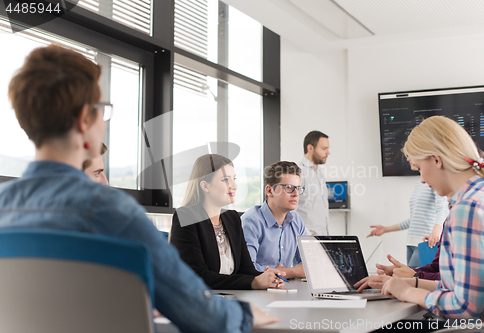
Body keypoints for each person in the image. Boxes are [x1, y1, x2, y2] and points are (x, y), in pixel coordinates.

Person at [0, 45, 278, 332]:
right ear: (85, 119)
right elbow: (200, 313)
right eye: (102, 112)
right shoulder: (111, 211)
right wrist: (243, 314)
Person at [356, 116, 484, 329]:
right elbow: (463, 287)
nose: (422, 179)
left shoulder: (468, 208)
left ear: (436, 160)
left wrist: (408, 292)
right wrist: (409, 282)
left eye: (420, 169)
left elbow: (466, 306)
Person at [170, 154, 286, 290]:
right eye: (225, 180)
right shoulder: (186, 216)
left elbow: (245, 269)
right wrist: (253, 282)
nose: (234, 186)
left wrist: (267, 277)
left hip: (230, 298)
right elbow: (197, 275)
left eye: (234, 179)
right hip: (198, 300)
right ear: (205, 186)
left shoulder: (232, 218)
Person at [241, 161, 306, 279]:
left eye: (298, 188)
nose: (296, 194)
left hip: (285, 290)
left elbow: (309, 265)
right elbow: (247, 269)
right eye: (289, 188)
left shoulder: (297, 220)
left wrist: (285, 272)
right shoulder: (250, 222)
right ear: (269, 191)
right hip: (256, 292)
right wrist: (291, 272)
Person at [367, 173, 448, 268]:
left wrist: (435, 233)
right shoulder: (419, 184)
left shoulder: (434, 180)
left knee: (413, 278)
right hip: (411, 243)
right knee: (410, 279)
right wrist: (386, 229)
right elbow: (413, 219)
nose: (408, 159)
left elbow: (442, 209)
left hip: (425, 243)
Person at [296, 130, 330, 235]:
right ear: (310, 148)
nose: (328, 153)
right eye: (324, 149)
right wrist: (307, 234)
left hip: (322, 237)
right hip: (307, 238)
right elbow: (289, 211)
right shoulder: (298, 172)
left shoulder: (319, 173)